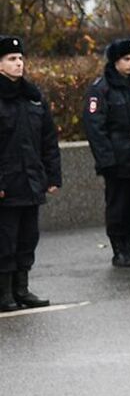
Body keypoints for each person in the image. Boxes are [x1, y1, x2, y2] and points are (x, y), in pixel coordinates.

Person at [0, 36, 61, 311]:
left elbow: (48, 139)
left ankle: (21, 289)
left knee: (28, 237)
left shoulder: (32, 96)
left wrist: (52, 175)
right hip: (7, 183)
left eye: (20, 58)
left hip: (30, 181)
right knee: (5, 240)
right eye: (11, 59)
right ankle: (4, 293)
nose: (18, 63)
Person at [81, 39, 130, 268]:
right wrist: (107, 160)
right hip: (117, 156)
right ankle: (118, 249)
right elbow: (95, 127)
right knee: (117, 204)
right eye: (126, 59)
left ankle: (129, 247)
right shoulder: (102, 88)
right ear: (115, 61)